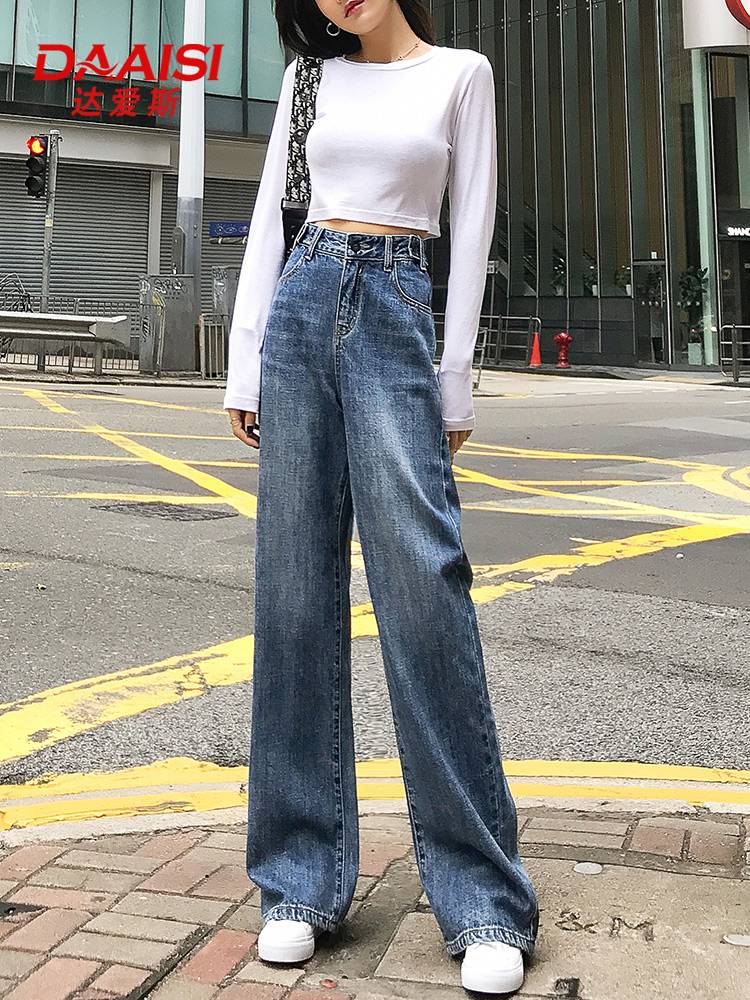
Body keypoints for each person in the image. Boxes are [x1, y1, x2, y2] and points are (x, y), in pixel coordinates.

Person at [223, 0, 539, 993]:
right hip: (304, 303)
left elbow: (471, 226)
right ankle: (297, 881)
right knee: (292, 595)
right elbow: (274, 216)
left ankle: (482, 896)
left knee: (423, 587)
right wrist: (244, 363)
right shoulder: (309, 80)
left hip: (398, 307)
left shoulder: (461, 74)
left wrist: (455, 379)